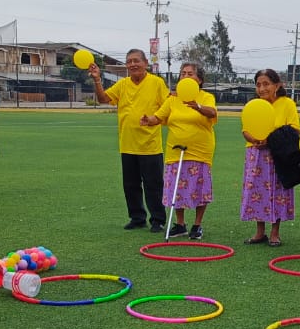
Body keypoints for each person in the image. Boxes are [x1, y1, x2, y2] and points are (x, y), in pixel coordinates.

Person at [89, 49, 169, 230]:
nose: (132, 64)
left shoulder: (156, 83)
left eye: (136, 61)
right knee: (131, 185)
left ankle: (157, 220)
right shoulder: (123, 84)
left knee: (153, 185)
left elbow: (167, 106)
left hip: (150, 145)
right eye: (129, 61)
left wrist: (154, 119)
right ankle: (137, 218)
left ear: (145, 63)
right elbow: (103, 99)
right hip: (127, 144)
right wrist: (97, 79)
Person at [141, 62, 218, 239]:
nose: (185, 76)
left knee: (200, 187)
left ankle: (197, 225)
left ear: (199, 79)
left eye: (190, 73)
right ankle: (180, 224)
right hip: (175, 151)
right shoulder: (173, 99)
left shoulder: (206, 97)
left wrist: (197, 106)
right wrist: (148, 120)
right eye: (183, 73)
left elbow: (212, 113)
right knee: (177, 187)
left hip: (200, 151)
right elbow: (158, 117)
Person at [240, 67, 300, 246]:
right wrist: (254, 139)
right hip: (256, 155)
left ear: (277, 85)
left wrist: (271, 140)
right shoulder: (254, 105)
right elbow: (245, 129)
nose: (262, 88)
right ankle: (260, 232)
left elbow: (295, 130)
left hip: (279, 154)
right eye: (258, 85)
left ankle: (275, 233)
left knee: (278, 191)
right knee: (256, 192)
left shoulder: (287, 104)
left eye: (266, 84)